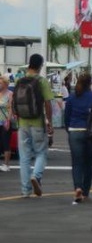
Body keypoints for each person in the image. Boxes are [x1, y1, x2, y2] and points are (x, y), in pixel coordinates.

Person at [13, 53, 53, 198]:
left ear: (29, 64)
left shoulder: (19, 79)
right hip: (37, 122)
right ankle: (36, 175)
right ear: (40, 66)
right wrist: (50, 122)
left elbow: (14, 100)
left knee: (24, 157)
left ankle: (25, 190)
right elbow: (48, 103)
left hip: (22, 123)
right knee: (41, 152)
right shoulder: (41, 81)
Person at [64, 72, 92, 204]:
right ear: (91, 83)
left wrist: (69, 129)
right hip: (91, 133)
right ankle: (85, 192)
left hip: (75, 131)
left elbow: (66, 117)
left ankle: (77, 188)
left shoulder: (72, 98)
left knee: (77, 162)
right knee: (89, 164)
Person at [0, 75, 13, 172]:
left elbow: (10, 109)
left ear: (5, 84)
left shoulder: (10, 94)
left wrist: (8, 121)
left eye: (0, 83)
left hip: (5, 121)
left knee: (5, 142)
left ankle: (6, 164)